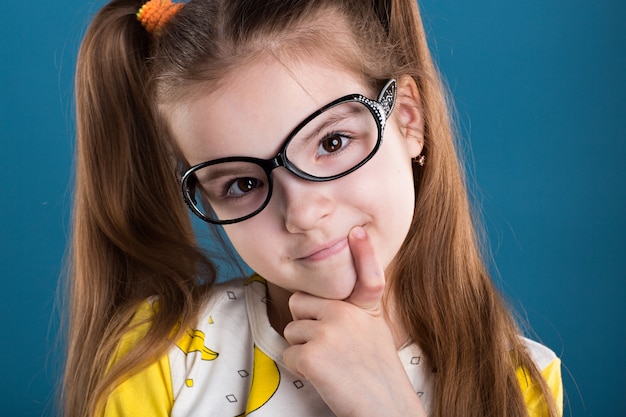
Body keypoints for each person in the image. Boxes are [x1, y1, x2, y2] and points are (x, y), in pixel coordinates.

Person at [61, 0, 563, 416]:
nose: (301, 212)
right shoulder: (162, 360)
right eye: (241, 182)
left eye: (332, 142)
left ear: (409, 120)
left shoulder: (521, 385)